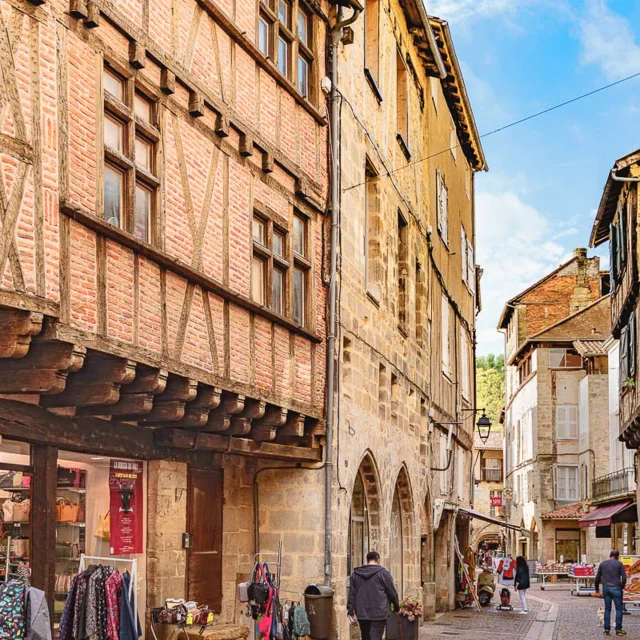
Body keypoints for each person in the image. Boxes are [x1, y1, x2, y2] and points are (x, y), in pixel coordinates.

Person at [347, 551, 400, 640]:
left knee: (366, 637)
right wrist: (396, 607)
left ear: (367, 560)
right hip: (379, 612)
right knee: (376, 637)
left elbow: (351, 594)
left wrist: (350, 610)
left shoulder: (356, 574)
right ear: (378, 560)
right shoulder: (384, 574)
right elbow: (392, 592)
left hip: (362, 612)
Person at [595, 550, 627, 636]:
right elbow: (624, 577)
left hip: (606, 588)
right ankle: (619, 629)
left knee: (608, 609)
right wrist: (622, 586)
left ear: (610, 555)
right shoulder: (619, 564)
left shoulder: (603, 564)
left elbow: (597, 577)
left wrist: (597, 589)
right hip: (616, 587)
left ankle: (607, 629)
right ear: (617, 556)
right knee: (619, 609)